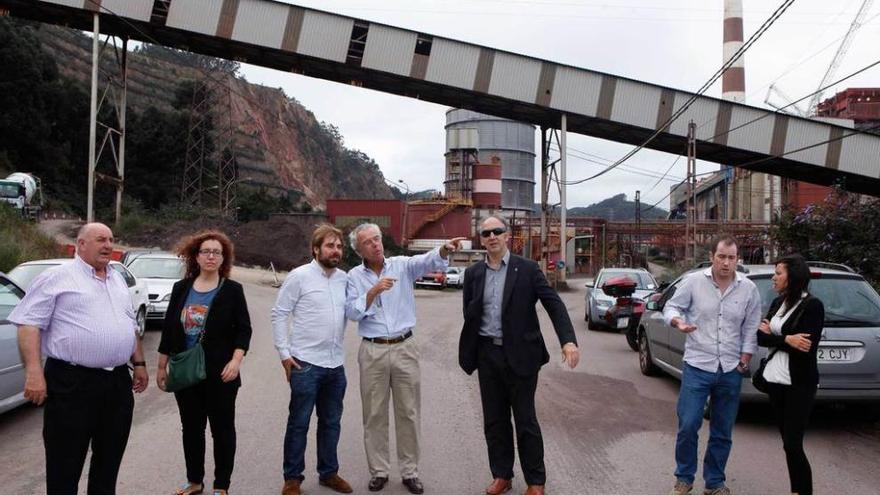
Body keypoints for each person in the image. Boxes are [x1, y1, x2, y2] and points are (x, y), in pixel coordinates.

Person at [9, 222, 149, 495]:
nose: (108, 245)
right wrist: (34, 373)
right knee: (65, 463)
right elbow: (28, 324)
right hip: (72, 383)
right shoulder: (57, 277)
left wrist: (140, 363)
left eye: (110, 239)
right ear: (81, 244)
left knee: (108, 461)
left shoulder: (117, 279)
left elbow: (129, 325)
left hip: (117, 383)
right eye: (100, 239)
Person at [459, 215, 580, 495]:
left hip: (521, 356)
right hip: (488, 354)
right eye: (486, 233)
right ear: (482, 239)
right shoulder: (473, 274)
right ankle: (502, 475)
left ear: (507, 236)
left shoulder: (527, 269)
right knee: (494, 420)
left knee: (525, 420)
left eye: (497, 232)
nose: (491, 237)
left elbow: (554, 305)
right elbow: (470, 313)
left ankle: (536, 482)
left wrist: (568, 341)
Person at [345, 223, 465, 494]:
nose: (376, 244)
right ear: (358, 250)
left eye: (377, 238)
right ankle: (379, 471)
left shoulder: (401, 265)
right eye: (368, 242)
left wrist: (444, 249)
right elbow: (351, 313)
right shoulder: (353, 277)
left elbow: (426, 261)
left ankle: (410, 472)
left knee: (408, 412)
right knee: (374, 414)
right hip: (373, 349)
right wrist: (373, 291)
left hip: (404, 346)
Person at [663, 235, 762, 495]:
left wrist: (745, 357)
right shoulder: (694, 282)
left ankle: (714, 482)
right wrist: (678, 323)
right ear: (712, 257)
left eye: (731, 257)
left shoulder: (748, 289)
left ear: (737, 259)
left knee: (722, 430)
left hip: (730, 369)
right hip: (697, 365)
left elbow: (751, 326)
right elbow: (671, 306)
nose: (726, 263)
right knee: (688, 424)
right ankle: (684, 478)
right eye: (722, 257)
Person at [157, 230, 252, 495]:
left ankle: (221, 485)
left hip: (221, 373)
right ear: (196, 256)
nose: (211, 256)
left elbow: (244, 330)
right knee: (191, 429)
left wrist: (236, 361)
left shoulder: (232, 290)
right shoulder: (181, 288)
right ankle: (195, 481)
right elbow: (168, 330)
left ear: (224, 259)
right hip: (186, 372)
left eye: (217, 252)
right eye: (206, 251)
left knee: (222, 431)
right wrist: (161, 366)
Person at [271, 224, 353, 495]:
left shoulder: (344, 279)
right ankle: (292, 478)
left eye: (339, 246)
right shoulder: (299, 276)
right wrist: (284, 354)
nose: (336, 251)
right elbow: (280, 313)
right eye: (330, 246)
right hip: (305, 363)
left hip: (335, 365)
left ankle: (329, 473)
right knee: (299, 423)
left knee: (331, 422)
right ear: (316, 249)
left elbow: (356, 310)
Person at [757, 254, 824, 495]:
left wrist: (776, 337)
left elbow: (807, 346)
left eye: (778, 273)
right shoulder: (778, 303)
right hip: (775, 381)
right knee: (787, 444)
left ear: (792, 277)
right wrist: (787, 339)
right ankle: (796, 490)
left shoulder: (812, 306)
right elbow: (760, 337)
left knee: (794, 444)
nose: (773, 277)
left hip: (799, 384)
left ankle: (803, 491)